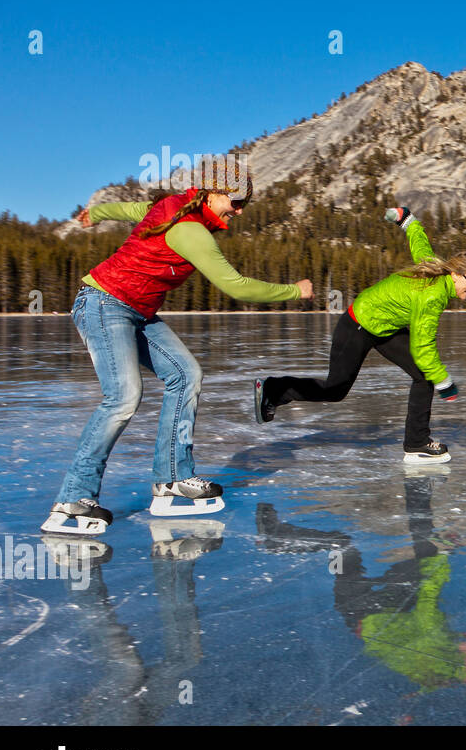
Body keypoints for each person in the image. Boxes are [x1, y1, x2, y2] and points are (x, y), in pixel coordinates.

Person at [47, 162, 312, 536]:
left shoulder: (175, 207)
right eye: (235, 202)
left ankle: (171, 480)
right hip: (104, 303)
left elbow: (130, 210)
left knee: (185, 374)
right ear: (211, 191)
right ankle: (72, 499)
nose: (238, 211)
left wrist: (98, 212)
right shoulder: (190, 231)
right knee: (123, 397)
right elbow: (235, 286)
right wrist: (294, 291)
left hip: (136, 311)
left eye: (244, 205)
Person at [255, 206, 466, 464]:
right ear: (455, 275)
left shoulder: (435, 269)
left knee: (423, 375)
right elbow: (422, 345)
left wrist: (406, 219)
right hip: (358, 324)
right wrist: (444, 380)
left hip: (384, 327)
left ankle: (416, 443)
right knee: (335, 389)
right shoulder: (433, 296)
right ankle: (275, 390)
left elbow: (419, 242)